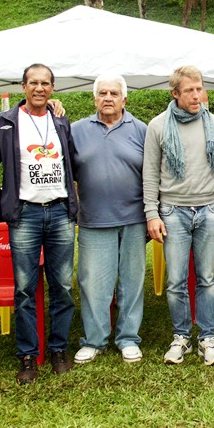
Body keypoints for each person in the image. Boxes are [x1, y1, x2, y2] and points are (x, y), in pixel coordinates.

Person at [0, 63, 78, 384]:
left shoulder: (61, 121)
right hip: (24, 214)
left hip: (60, 213)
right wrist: (1, 202)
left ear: (53, 88)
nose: (39, 88)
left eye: (45, 83)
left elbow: (73, 163)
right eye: (33, 83)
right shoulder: (6, 122)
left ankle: (58, 348)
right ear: (23, 87)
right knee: (25, 288)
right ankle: (27, 355)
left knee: (63, 287)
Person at [143, 66, 214, 366]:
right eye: (190, 90)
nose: (197, 96)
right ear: (175, 93)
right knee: (176, 280)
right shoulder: (157, 126)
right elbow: (150, 174)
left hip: (208, 209)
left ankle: (207, 339)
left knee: (207, 278)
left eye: (200, 89)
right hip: (172, 211)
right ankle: (181, 337)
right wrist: (151, 214)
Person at [71, 75, 148, 365]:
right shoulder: (76, 130)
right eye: (102, 92)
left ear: (124, 99)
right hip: (92, 219)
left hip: (133, 219)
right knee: (93, 284)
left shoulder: (141, 130)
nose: (107, 97)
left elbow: (152, 175)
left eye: (114, 93)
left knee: (132, 281)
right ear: (94, 98)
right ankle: (94, 340)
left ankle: (128, 338)